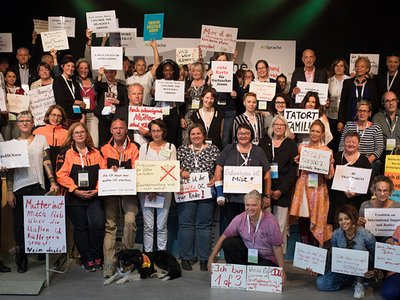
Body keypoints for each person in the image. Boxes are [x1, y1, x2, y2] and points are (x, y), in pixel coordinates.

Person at [6, 111, 59, 272]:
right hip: (19, 187)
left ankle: (44, 252)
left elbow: (46, 160)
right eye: (22, 120)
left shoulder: (41, 139)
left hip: (38, 185)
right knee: (20, 225)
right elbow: (10, 171)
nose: (25, 123)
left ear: (33, 123)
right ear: (17, 124)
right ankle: (21, 256)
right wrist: (9, 191)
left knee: (41, 223)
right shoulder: (11, 144)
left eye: (28, 120)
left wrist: (52, 181)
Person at [56, 122, 107, 271]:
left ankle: (97, 255)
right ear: (72, 135)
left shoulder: (96, 152)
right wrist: (75, 189)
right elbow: (60, 175)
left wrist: (97, 189)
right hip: (74, 197)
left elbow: (104, 173)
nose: (79, 134)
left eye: (82, 132)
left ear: (86, 134)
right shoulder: (65, 153)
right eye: (76, 132)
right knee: (80, 228)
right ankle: (87, 258)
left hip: (94, 196)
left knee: (97, 225)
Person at [207, 190, 285, 280]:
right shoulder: (240, 218)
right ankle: (238, 272)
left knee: (264, 268)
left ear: (261, 205)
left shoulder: (270, 221)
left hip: (266, 259)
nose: (250, 208)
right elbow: (223, 237)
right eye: (247, 205)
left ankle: (249, 272)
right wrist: (211, 259)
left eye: (254, 205)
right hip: (249, 256)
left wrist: (281, 271)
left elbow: (277, 247)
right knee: (228, 242)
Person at [309, 205, 377, 299]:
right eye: (340, 219)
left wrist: (375, 271)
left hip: (363, 273)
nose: (343, 222)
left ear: (353, 219)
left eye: (347, 218)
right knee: (321, 283)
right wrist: (318, 269)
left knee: (358, 249)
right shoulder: (337, 234)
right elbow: (333, 256)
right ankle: (350, 282)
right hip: (344, 270)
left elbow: (376, 254)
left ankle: (360, 283)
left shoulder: (366, 234)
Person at [177, 123, 220, 272]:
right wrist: (180, 171)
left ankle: (204, 258)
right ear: (189, 136)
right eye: (193, 134)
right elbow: (173, 166)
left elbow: (219, 168)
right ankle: (186, 257)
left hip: (206, 191)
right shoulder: (182, 150)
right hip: (186, 192)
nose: (196, 136)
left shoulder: (213, 150)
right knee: (186, 225)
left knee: (204, 225)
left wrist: (215, 178)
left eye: (198, 134)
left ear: (203, 135)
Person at [100, 118, 140, 278]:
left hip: (129, 192)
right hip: (110, 192)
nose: (118, 131)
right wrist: (110, 170)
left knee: (130, 221)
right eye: (115, 128)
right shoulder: (104, 148)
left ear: (126, 130)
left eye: (121, 128)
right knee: (110, 226)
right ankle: (109, 265)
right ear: (111, 130)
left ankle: (126, 259)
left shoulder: (134, 147)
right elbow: (101, 168)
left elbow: (137, 167)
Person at [214, 123, 271, 225]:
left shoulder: (258, 151)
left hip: (253, 201)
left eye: (246, 133)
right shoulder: (228, 149)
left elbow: (267, 173)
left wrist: (267, 196)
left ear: (251, 135)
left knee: (252, 228)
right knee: (233, 228)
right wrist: (219, 193)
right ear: (236, 135)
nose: (243, 136)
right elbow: (218, 169)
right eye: (240, 133)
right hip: (231, 199)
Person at [290, 119, 334, 246]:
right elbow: (297, 170)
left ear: (322, 134)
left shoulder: (327, 151)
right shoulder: (302, 147)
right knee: (303, 220)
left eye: (318, 131)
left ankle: (314, 253)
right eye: (313, 131)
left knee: (316, 221)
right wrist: (298, 163)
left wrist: (328, 165)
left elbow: (329, 175)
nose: (314, 134)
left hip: (318, 190)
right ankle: (304, 252)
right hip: (303, 187)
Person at [259, 115, 298, 253]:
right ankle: (265, 253)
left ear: (286, 128)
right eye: (276, 124)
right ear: (272, 127)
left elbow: (293, 170)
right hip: (265, 188)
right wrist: (266, 191)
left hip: (283, 189)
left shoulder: (291, 145)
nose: (279, 127)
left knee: (280, 226)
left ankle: (278, 257)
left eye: (282, 125)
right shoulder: (264, 142)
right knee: (264, 224)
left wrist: (281, 190)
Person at [138, 119, 177, 252]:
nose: (156, 134)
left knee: (161, 226)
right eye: (153, 131)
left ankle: (161, 255)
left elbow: (172, 169)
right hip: (146, 193)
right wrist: (151, 189)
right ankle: (148, 255)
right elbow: (142, 170)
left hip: (164, 192)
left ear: (163, 131)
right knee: (148, 226)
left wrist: (158, 189)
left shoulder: (171, 147)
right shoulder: (144, 147)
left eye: (158, 130)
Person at [328, 132, 371, 224]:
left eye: (354, 142)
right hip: (338, 199)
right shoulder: (336, 158)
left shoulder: (364, 161)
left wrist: (356, 193)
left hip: (357, 201)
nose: (350, 144)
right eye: (348, 141)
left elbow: (368, 183)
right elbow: (329, 179)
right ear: (343, 143)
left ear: (358, 144)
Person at [339, 100, 384, 176]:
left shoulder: (376, 128)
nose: (362, 113)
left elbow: (379, 148)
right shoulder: (349, 125)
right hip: (349, 160)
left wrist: (365, 162)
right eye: (360, 110)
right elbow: (341, 146)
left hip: (369, 161)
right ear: (357, 112)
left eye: (365, 111)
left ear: (369, 113)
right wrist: (348, 160)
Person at [338, 56, 378, 132]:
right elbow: (343, 103)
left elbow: (374, 104)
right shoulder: (347, 83)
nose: (359, 68)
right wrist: (340, 121)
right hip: (350, 119)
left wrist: (374, 121)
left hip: (366, 121)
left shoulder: (372, 84)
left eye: (362, 66)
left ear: (367, 69)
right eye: (357, 66)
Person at [33, 105, 68, 188]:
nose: (56, 118)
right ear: (48, 116)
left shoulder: (67, 133)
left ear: (62, 118)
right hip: (42, 168)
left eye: (59, 116)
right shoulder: (37, 131)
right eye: (53, 115)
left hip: (61, 169)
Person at [209, 52, 240, 148]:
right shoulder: (211, 74)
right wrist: (209, 78)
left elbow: (237, 93)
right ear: (215, 62)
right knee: (214, 136)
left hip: (229, 110)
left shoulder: (233, 76)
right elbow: (207, 91)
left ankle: (225, 159)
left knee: (226, 138)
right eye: (220, 60)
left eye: (224, 60)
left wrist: (234, 94)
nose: (222, 62)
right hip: (215, 109)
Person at [94, 67, 128, 147]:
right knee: (103, 141)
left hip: (116, 116)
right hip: (104, 117)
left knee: (118, 139)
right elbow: (96, 88)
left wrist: (118, 102)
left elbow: (126, 102)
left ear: (115, 73)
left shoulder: (121, 87)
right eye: (107, 72)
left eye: (111, 72)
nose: (109, 74)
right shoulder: (102, 86)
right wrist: (100, 75)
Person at [154, 59, 182, 147]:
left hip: (173, 112)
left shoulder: (177, 83)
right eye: (166, 70)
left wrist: (181, 95)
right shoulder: (158, 82)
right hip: (160, 112)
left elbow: (180, 102)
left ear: (173, 71)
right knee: (161, 135)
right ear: (163, 71)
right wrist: (153, 93)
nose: (168, 72)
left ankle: (171, 154)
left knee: (172, 137)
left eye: (170, 70)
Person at [180, 61, 208, 146]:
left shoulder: (207, 85)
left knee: (200, 138)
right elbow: (181, 103)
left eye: (198, 71)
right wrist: (181, 117)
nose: (195, 73)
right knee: (186, 139)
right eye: (193, 71)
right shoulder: (187, 84)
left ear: (202, 72)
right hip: (188, 116)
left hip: (202, 115)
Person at [53, 55, 85, 127]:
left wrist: (83, 117)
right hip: (65, 118)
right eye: (68, 66)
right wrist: (75, 101)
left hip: (78, 117)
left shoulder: (75, 82)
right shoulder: (58, 80)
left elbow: (81, 100)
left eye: (72, 66)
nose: (70, 68)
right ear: (62, 66)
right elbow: (60, 100)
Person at [326, 58, 351, 152]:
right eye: (337, 65)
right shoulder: (328, 81)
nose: (339, 68)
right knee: (331, 141)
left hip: (344, 115)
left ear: (345, 68)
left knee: (343, 141)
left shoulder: (350, 80)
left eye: (341, 66)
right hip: (330, 115)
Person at [126, 40, 160, 106]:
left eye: (143, 65)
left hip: (145, 108)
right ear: (135, 67)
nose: (141, 67)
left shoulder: (148, 76)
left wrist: (154, 47)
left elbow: (157, 63)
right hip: (132, 109)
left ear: (146, 67)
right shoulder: (128, 80)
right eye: (139, 65)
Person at [372, 91, 400, 170]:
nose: (391, 103)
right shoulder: (377, 118)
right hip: (382, 155)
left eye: (393, 100)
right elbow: (374, 140)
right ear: (383, 104)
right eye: (387, 101)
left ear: (397, 101)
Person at [76, 58, 99, 147]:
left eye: (86, 68)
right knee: (80, 143)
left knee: (94, 143)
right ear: (77, 69)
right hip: (79, 115)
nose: (84, 70)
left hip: (92, 115)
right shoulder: (74, 82)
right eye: (81, 68)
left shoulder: (94, 82)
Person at [2, 68, 25, 141]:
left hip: (17, 121)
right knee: (5, 144)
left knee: (16, 143)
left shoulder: (20, 90)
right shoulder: (2, 90)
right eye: (9, 76)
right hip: (6, 121)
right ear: (5, 78)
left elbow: (24, 104)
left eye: (13, 76)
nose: (11, 78)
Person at [382, 224, 400, 300]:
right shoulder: (399, 229)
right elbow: (394, 247)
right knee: (389, 292)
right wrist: (391, 243)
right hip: (397, 270)